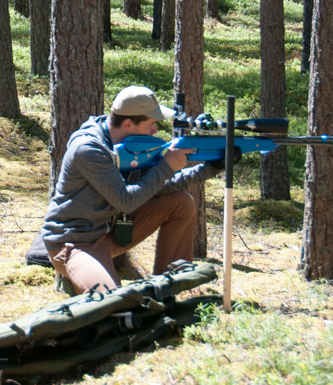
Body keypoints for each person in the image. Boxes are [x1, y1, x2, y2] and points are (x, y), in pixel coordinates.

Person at [40, 86, 230, 293]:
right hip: (75, 243)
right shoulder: (88, 149)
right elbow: (125, 201)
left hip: (110, 233)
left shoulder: (130, 147)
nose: (155, 130)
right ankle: (80, 277)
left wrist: (211, 168)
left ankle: (169, 287)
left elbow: (158, 187)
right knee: (113, 301)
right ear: (129, 124)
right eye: (151, 124)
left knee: (180, 202)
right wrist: (165, 166)